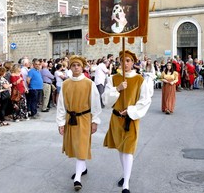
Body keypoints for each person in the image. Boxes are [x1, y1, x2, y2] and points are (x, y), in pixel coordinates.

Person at [102, 50, 151, 193]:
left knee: (128, 150)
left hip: (131, 119)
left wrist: (131, 110)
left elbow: (145, 100)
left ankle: (126, 184)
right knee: (121, 149)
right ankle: (126, 175)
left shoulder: (139, 80)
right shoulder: (113, 79)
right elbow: (106, 100)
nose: (126, 63)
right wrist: (117, 89)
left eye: (128, 60)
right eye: (123, 60)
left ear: (133, 62)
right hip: (116, 119)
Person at [56, 55, 101, 191]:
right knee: (76, 146)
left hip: (85, 118)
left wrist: (95, 121)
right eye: (73, 65)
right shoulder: (66, 84)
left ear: (82, 67)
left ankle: (77, 178)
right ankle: (83, 168)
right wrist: (61, 122)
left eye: (78, 65)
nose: (76, 67)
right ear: (70, 67)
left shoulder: (89, 83)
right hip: (71, 119)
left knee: (81, 145)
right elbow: (61, 105)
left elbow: (95, 103)